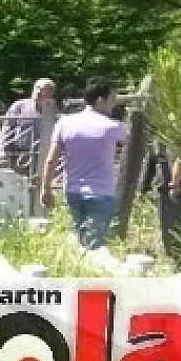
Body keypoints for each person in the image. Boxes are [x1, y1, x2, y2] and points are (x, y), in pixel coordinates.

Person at [39, 78, 129, 249]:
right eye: (111, 101)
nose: (113, 106)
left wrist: (46, 188)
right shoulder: (113, 127)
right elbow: (132, 141)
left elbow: (51, 159)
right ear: (100, 100)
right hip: (101, 194)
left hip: (72, 191)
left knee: (73, 244)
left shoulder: (64, 123)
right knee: (93, 247)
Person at [0, 78, 56, 173]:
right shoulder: (19, 106)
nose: (38, 92)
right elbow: (6, 130)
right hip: (20, 155)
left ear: (50, 93)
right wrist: (3, 153)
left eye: (42, 89)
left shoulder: (54, 110)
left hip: (45, 157)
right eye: (37, 88)